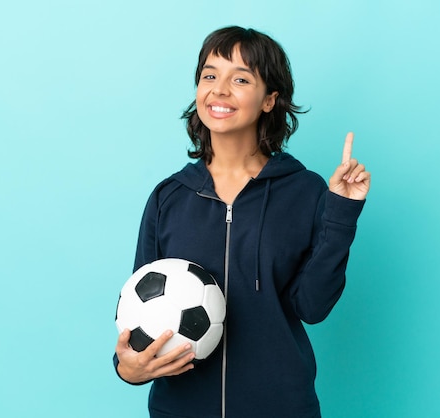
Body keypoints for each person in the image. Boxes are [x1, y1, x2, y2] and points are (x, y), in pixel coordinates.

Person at [113, 26, 370, 418]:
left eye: (241, 79)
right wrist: (127, 369)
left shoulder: (304, 191)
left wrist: (341, 211)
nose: (219, 89)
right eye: (210, 76)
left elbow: (313, 306)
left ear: (270, 99)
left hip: (282, 407)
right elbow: (139, 312)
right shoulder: (169, 197)